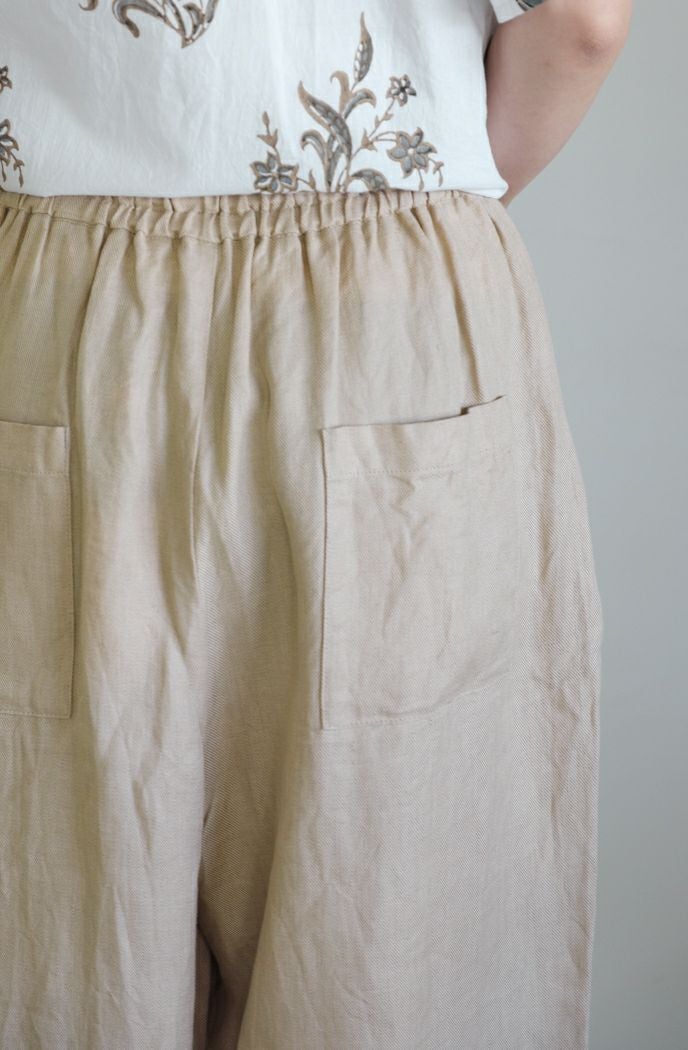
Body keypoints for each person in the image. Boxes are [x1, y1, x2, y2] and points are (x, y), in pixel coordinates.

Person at [0, 1, 631, 1047]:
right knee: (386, 955)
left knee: (57, 950)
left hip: (52, 308)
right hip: (389, 318)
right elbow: (582, 20)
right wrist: (411, 202)